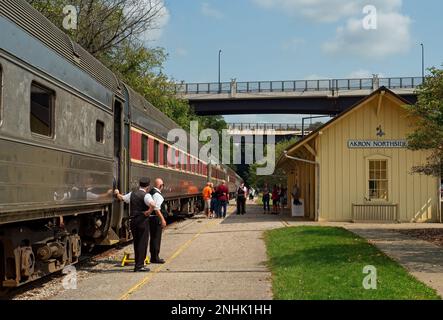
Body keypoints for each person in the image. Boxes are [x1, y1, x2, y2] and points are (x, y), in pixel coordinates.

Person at [114, 177, 155, 272]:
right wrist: (148, 212)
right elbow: (153, 205)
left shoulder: (132, 193)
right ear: (148, 186)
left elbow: (122, 198)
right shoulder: (147, 195)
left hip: (133, 221)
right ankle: (139, 266)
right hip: (142, 221)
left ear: (139, 185)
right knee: (143, 243)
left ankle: (138, 264)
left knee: (136, 243)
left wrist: (116, 193)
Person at [148, 178, 168, 264]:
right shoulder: (157, 195)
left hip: (151, 218)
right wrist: (162, 219)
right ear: (161, 186)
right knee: (156, 238)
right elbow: (156, 208)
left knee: (153, 238)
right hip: (156, 219)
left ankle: (154, 256)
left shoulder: (151, 192)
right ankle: (155, 258)